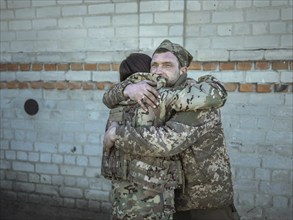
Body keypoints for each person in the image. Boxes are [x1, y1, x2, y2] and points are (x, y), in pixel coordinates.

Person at [103, 39, 240, 220]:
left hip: (204, 203)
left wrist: (115, 134)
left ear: (183, 70)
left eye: (167, 65)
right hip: (173, 201)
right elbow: (109, 98)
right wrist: (128, 88)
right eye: (155, 65)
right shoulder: (153, 93)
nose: (159, 70)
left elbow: (165, 142)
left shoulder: (196, 97)